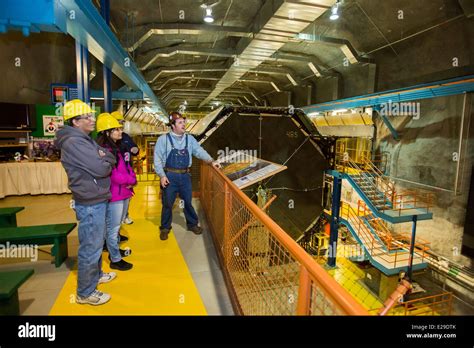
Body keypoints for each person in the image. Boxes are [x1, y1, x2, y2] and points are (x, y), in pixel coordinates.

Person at [55, 99, 117, 306]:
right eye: (88, 117)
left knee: (96, 242)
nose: (92, 120)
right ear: (75, 121)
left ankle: (96, 274)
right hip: (90, 202)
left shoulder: (84, 138)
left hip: (96, 197)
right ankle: (85, 292)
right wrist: (104, 160)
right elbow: (102, 168)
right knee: (90, 247)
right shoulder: (74, 142)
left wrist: (104, 158)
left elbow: (108, 156)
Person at [154, 111, 221, 241]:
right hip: (170, 176)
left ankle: (192, 224)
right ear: (172, 125)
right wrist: (162, 175)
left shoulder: (189, 139)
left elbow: (199, 151)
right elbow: (157, 159)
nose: (184, 124)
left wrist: (211, 161)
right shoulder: (163, 140)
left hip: (185, 176)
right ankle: (165, 227)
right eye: (180, 122)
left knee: (187, 202)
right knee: (168, 203)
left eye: (184, 122)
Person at [96, 113, 136, 271]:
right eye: (116, 129)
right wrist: (130, 181)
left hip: (124, 192)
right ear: (107, 132)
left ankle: (115, 250)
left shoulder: (115, 147)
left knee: (116, 226)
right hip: (115, 194)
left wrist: (132, 177)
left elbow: (125, 166)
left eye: (120, 128)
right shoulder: (104, 150)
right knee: (112, 228)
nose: (121, 131)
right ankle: (115, 259)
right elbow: (112, 174)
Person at [111, 111, 138, 227]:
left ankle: (124, 216)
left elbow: (134, 147)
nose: (121, 126)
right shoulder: (107, 143)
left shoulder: (125, 136)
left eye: (122, 123)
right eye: (118, 123)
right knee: (115, 204)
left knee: (126, 197)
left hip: (127, 171)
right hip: (116, 176)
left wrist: (135, 150)